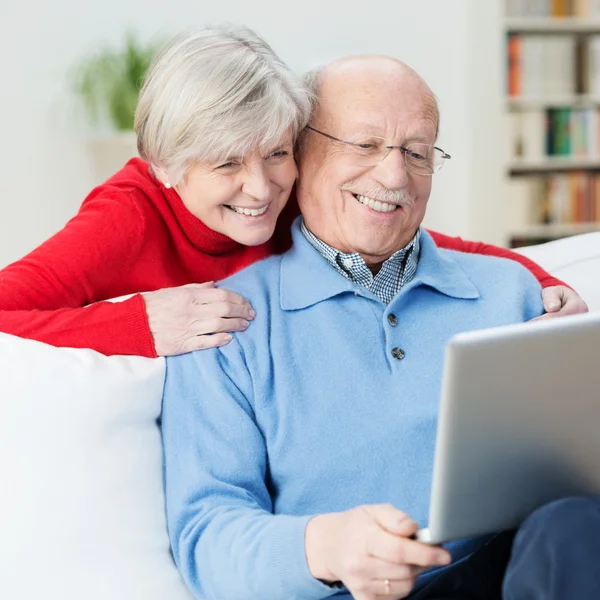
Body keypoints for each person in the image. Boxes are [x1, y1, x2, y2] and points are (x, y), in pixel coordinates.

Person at [162, 55, 600, 600]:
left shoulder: (514, 293)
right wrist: (325, 546)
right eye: (364, 146)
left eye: (417, 153)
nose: (395, 176)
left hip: (522, 570)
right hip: (352, 592)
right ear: (299, 152)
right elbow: (206, 536)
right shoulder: (224, 324)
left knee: (576, 525)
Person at [0, 26, 586, 358]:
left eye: (277, 152)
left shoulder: (292, 200)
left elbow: (432, 247)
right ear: (167, 166)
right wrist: (136, 324)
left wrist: (543, 280)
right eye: (227, 162)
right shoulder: (127, 217)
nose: (262, 189)